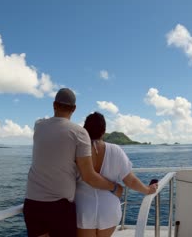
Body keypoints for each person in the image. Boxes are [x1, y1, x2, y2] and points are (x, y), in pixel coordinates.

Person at [23, 88, 123, 237]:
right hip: (59, 208)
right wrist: (115, 187)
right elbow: (89, 176)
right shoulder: (79, 133)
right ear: (74, 109)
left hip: (32, 205)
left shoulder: (39, 126)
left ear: (54, 105)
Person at [75, 112, 158, 237]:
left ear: (85, 129)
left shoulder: (76, 150)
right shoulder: (115, 150)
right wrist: (147, 189)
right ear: (103, 131)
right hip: (109, 210)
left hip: (82, 209)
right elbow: (130, 180)